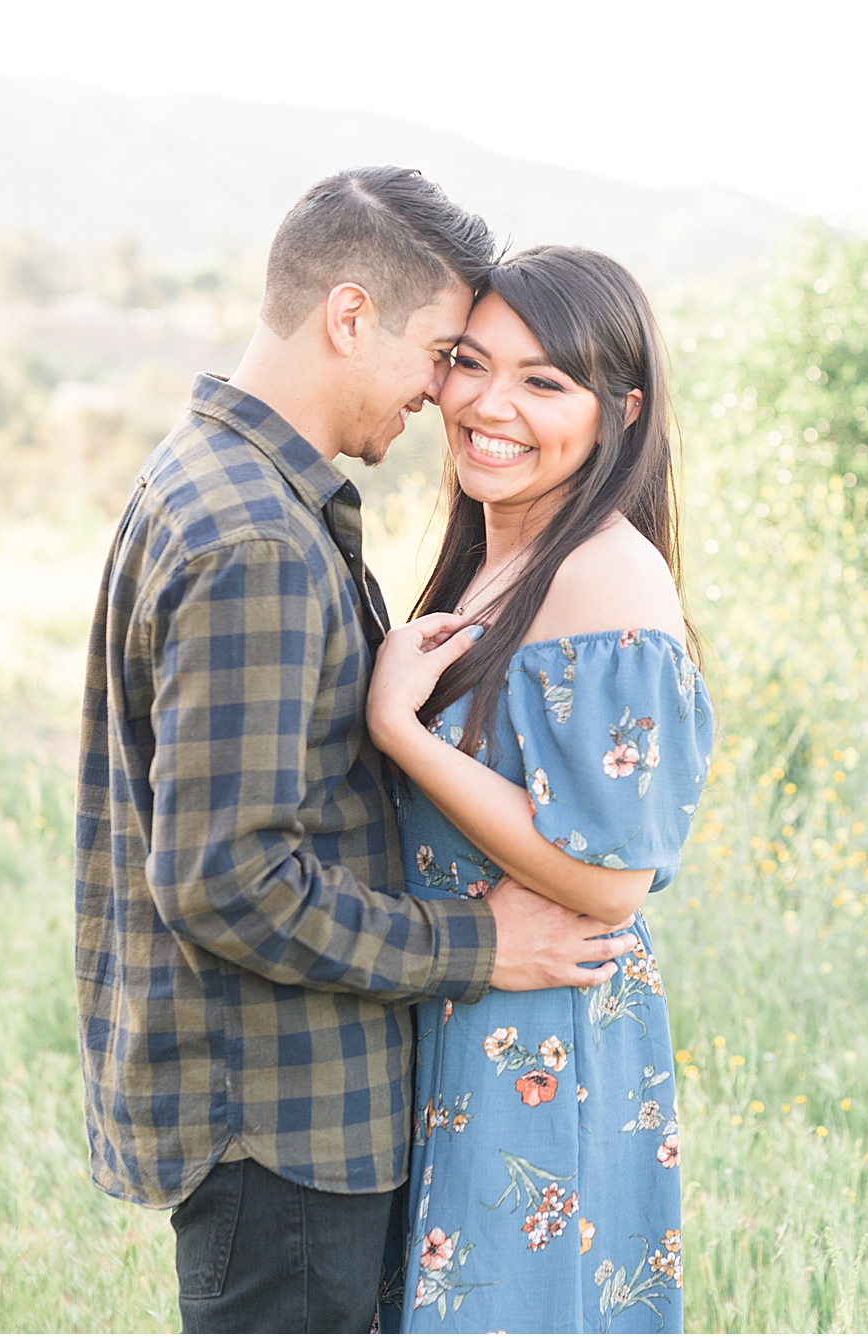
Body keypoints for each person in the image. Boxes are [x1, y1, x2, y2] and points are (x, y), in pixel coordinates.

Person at [74, 168, 639, 1335]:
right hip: (284, 1118)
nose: (443, 395)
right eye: (441, 351)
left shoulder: (205, 480)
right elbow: (226, 878)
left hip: (274, 1108)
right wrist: (475, 942)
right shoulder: (256, 540)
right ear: (347, 317)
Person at [364, 246, 714, 1334]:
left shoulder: (601, 573)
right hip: (476, 1004)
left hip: (544, 1034)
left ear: (619, 411)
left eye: (542, 381)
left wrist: (398, 732)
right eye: (470, 363)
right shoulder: (499, 554)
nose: (488, 403)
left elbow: (613, 882)